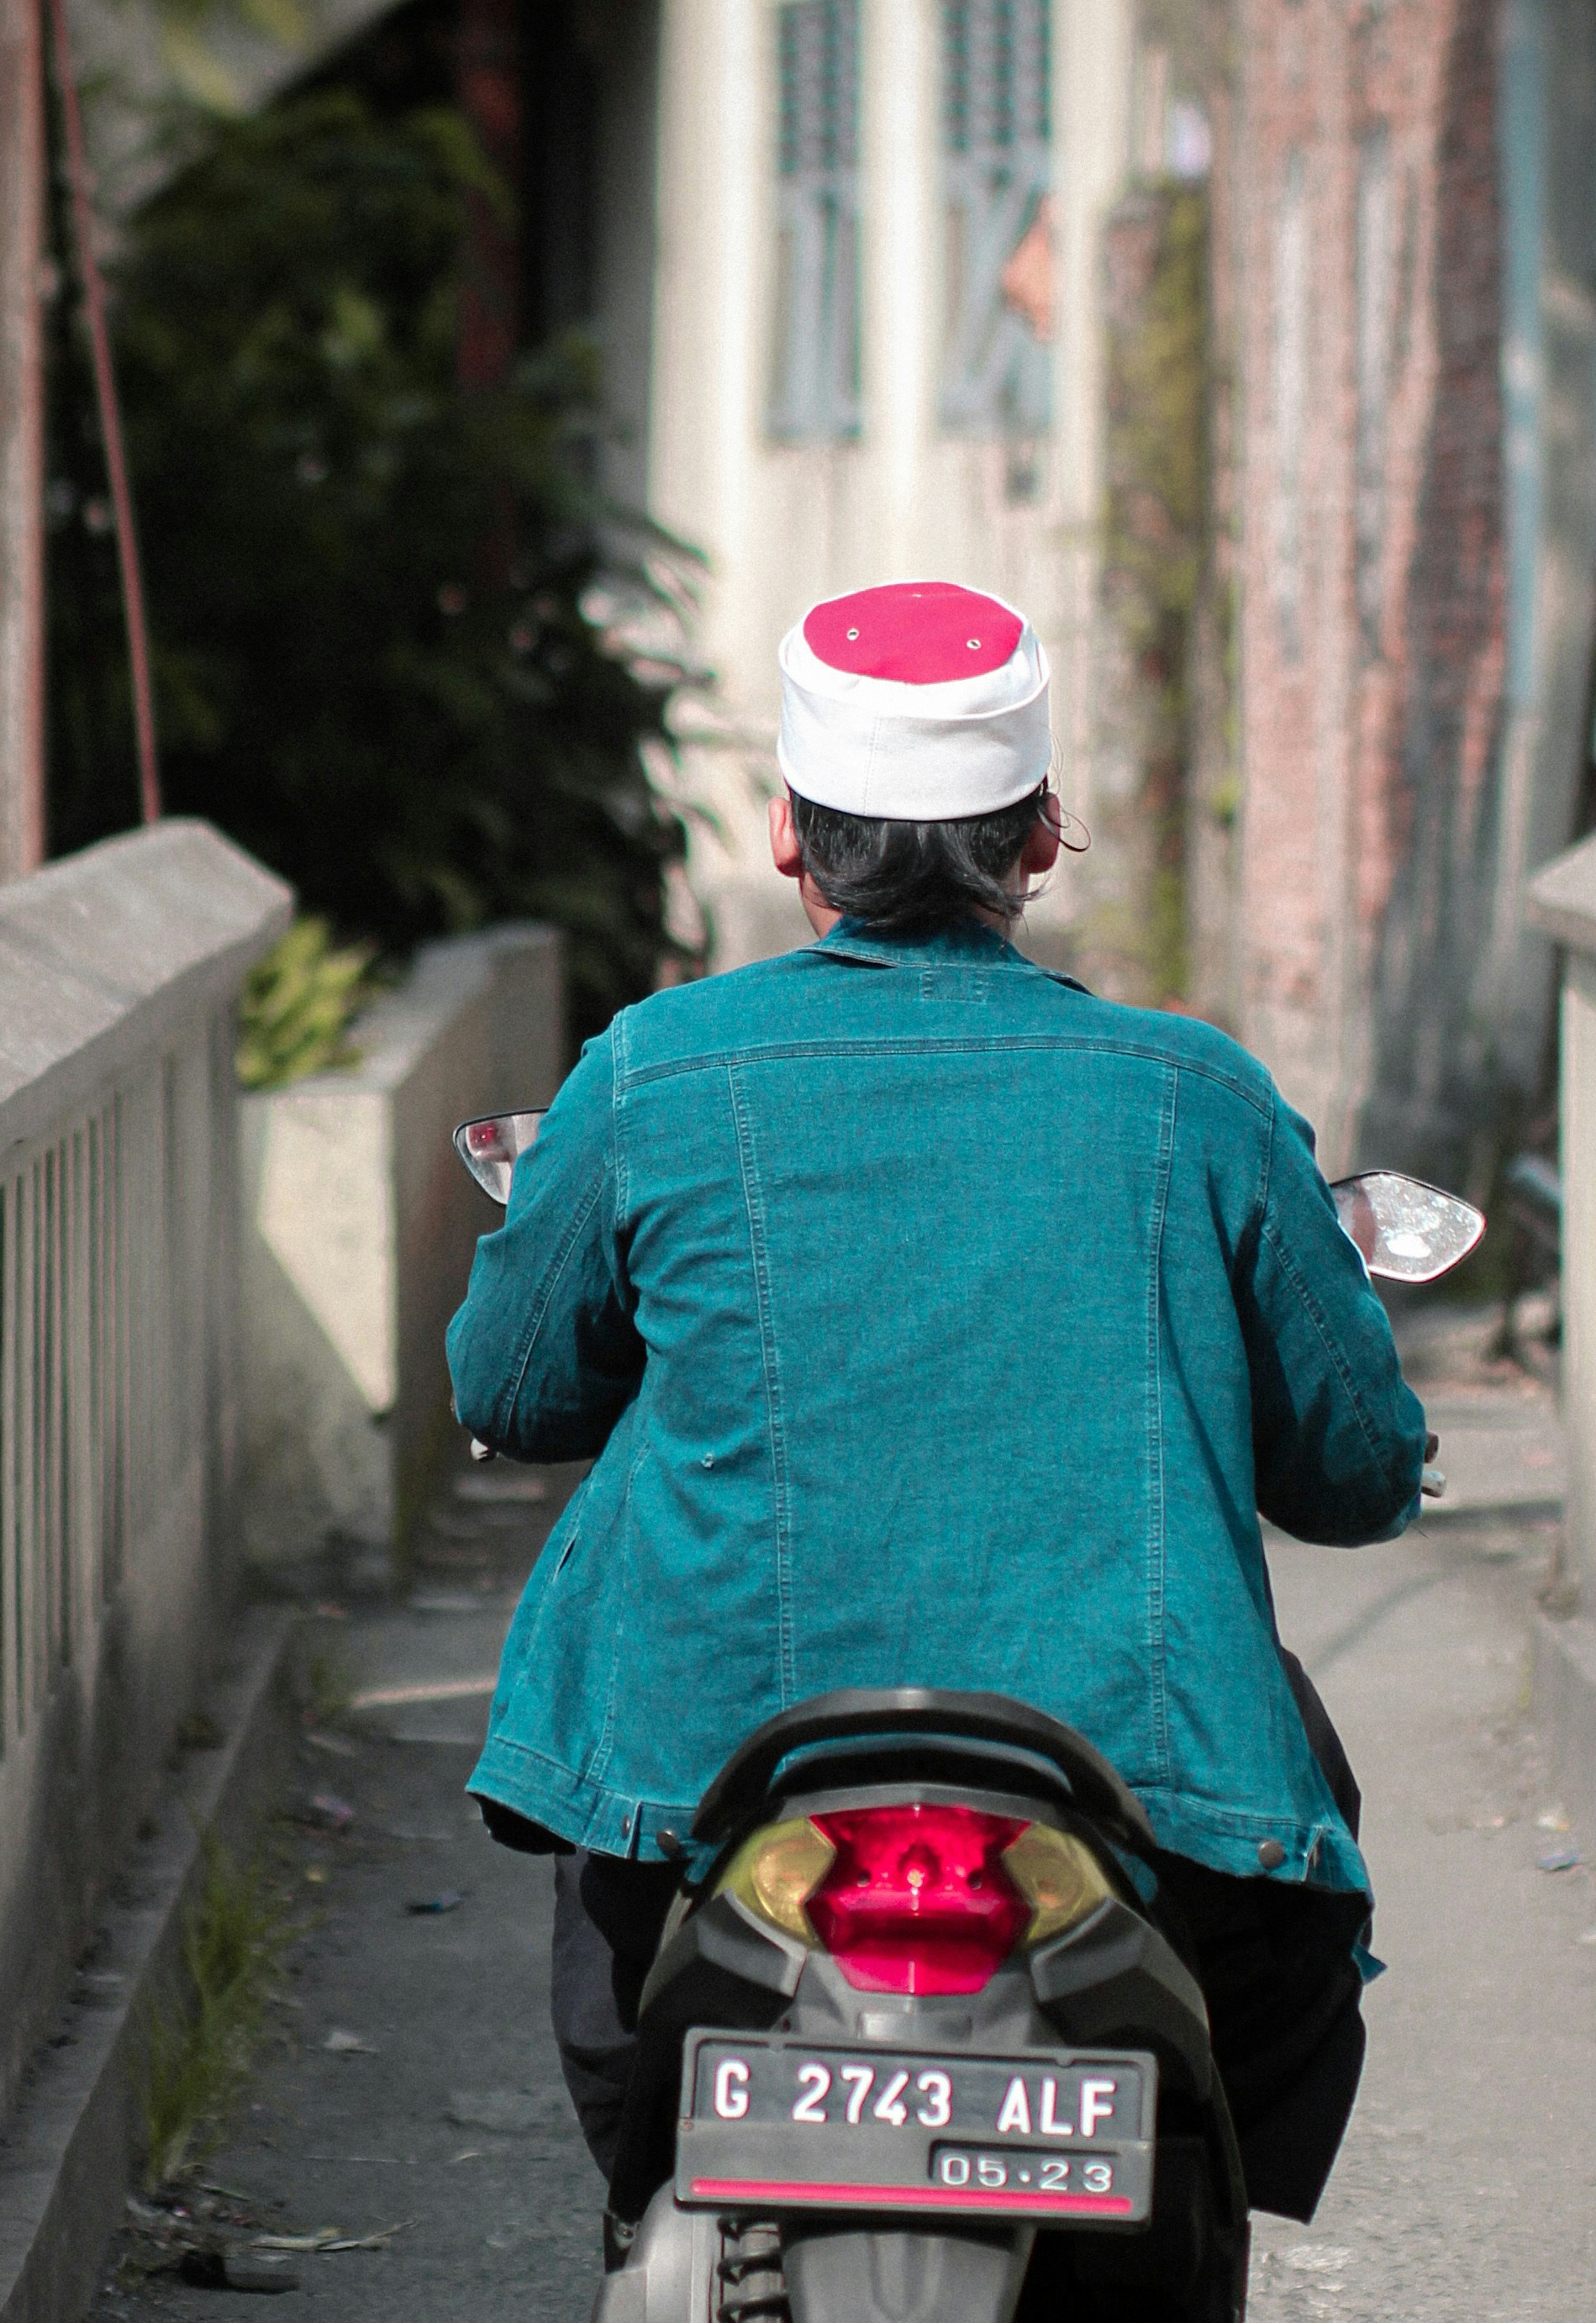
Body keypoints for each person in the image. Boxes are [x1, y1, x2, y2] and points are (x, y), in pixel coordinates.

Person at [446, 580, 1429, 2225]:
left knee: (617, 1988)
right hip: (1131, 1779)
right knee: (1281, 1910)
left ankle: (661, 2302)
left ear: (786, 836)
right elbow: (1348, 1468)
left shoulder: (651, 1071)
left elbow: (515, 1389)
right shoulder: (1199, 1093)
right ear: (1037, 838)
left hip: (703, 1772)